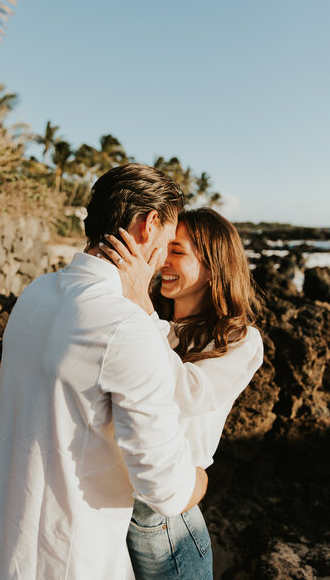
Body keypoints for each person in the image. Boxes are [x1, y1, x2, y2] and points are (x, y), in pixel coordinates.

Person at [0, 164, 209, 580]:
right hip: (73, 561)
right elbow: (164, 488)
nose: (162, 261)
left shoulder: (34, 295)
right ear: (149, 224)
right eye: (168, 242)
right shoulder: (127, 329)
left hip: (2, 553)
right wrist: (199, 480)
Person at [98, 207, 264, 579]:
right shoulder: (155, 325)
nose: (163, 261)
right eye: (164, 248)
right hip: (113, 504)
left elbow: (189, 393)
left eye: (178, 251)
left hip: (167, 520)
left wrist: (141, 308)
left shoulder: (240, 339)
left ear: (213, 266)